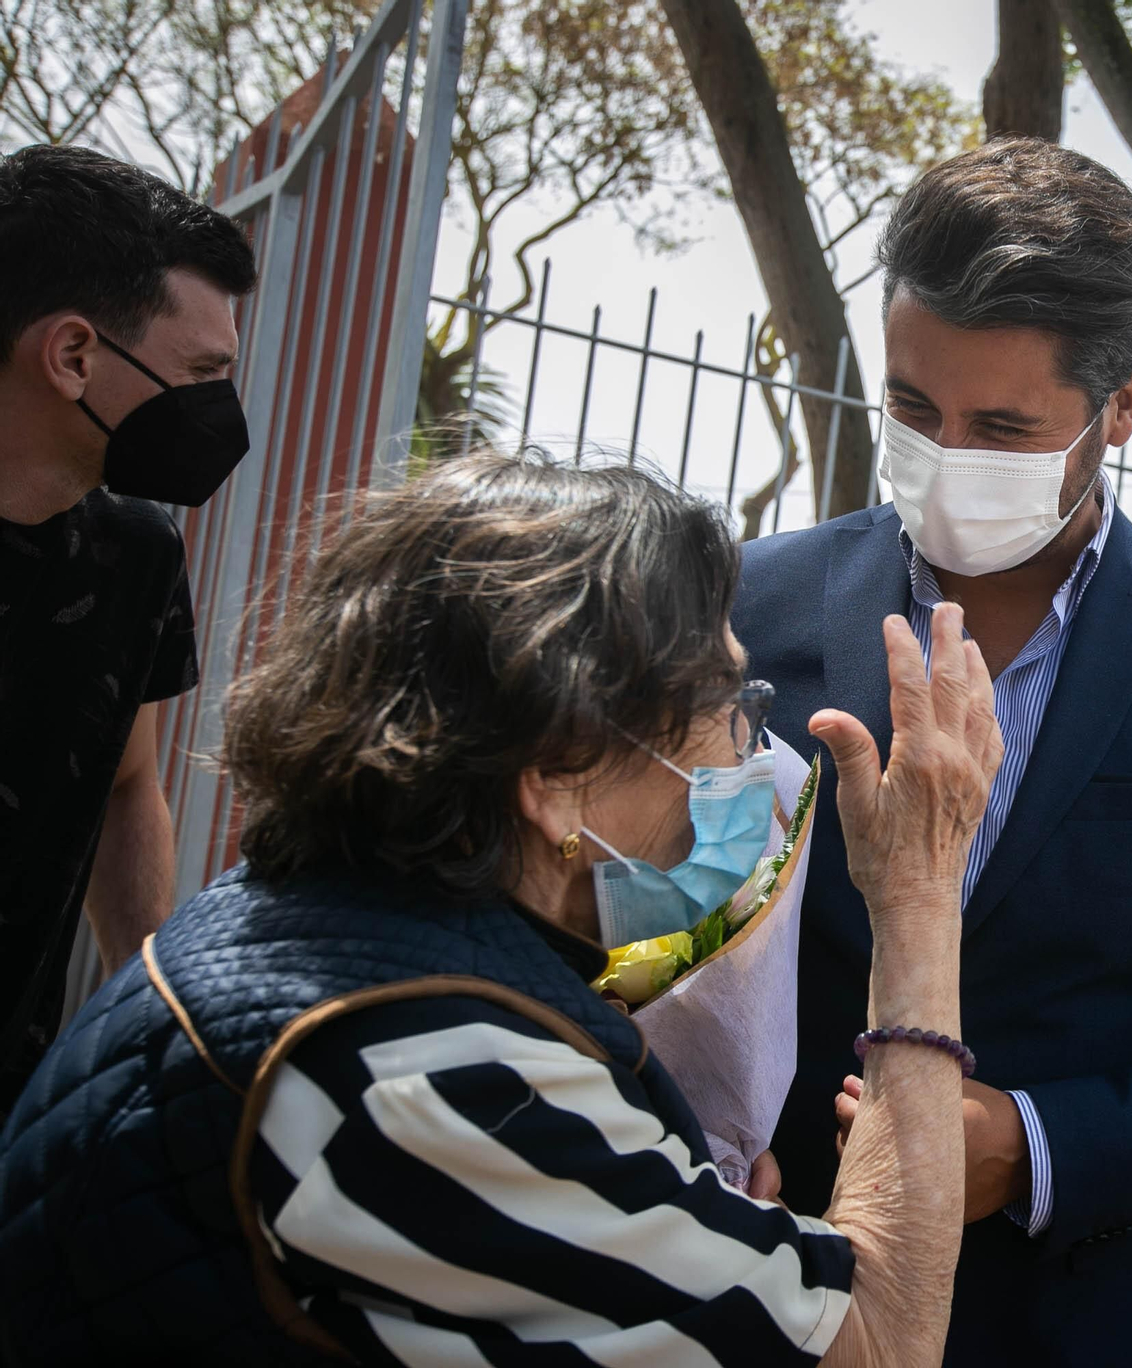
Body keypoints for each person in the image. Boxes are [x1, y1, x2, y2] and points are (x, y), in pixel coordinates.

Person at [0, 454, 1003, 1367]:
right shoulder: (424, 1074)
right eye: (723, 708)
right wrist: (915, 891)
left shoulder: (310, 929)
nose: (746, 754)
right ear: (559, 774)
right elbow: (878, 1340)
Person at [735, 137, 1132, 1366]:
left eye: (1004, 426)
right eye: (913, 408)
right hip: (746, 1294)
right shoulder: (747, 608)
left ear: (1121, 404)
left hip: (1063, 1325)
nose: (945, 453)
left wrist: (1029, 1145)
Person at [0, 143, 258, 1111]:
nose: (218, 410)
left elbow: (126, 786)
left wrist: (144, 1033)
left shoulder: (135, 555)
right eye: (200, 372)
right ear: (74, 356)